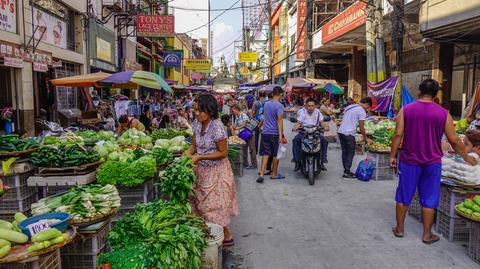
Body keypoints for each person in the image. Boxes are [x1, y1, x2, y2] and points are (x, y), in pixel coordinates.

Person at [390, 79, 477, 244]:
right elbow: (454, 140)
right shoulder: (443, 113)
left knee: (403, 195)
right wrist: (466, 157)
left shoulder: (406, 110)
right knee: (429, 198)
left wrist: (393, 156)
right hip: (432, 163)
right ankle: (427, 234)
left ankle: (400, 229)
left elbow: (397, 134)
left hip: (409, 161)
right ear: (436, 94)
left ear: (419, 91)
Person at [188, 94, 239, 247]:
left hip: (217, 172)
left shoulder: (217, 127)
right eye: (195, 110)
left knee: (212, 206)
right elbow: (194, 146)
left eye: (200, 110)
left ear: (210, 111)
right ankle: (213, 235)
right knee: (199, 204)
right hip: (201, 171)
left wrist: (199, 158)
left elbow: (223, 152)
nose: (197, 113)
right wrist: (186, 156)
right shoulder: (197, 124)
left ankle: (225, 236)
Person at [337, 97, 373, 179]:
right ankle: (347, 172)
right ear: (367, 104)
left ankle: (346, 170)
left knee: (345, 152)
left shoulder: (350, 106)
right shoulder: (361, 111)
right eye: (368, 107)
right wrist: (366, 138)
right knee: (350, 152)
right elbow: (361, 127)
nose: (367, 109)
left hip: (341, 131)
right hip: (349, 133)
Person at [257, 86, 285, 183]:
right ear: (281, 94)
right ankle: (274, 174)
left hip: (265, 133)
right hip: (274, 133)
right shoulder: (280, 106)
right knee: (276, 154)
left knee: (265, 153)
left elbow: (264, 117)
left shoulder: (266, 104)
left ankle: (261, 174)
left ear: (273, 94)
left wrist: (260, 125)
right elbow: (279, 120)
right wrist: (281, 136)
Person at [292, 98, 328, 171]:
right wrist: (295, 128)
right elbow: (299, 123)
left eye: (312, 106)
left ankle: (322, 160)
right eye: (309, 106)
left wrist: (326, 126)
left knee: (324, 140)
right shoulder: (303, 113)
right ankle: (297, 161)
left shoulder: (318, 112)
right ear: (306, 106)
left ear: (315, 106)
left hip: (315, 132)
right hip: (304, 132)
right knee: (296, 140)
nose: (310, 108)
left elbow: (322, 122)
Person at [231, 104, 257, 169]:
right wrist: (233, 127)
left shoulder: (243, 115)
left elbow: (244, 125)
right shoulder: (237, 117)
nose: (232, 112)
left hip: (249, 134)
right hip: (243, 135)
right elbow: (236, 125)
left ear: (236, 109)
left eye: (233, 110)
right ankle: (245, 163)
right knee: (244, 149)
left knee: (252, 149)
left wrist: (237, 128)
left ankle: (254, 164)